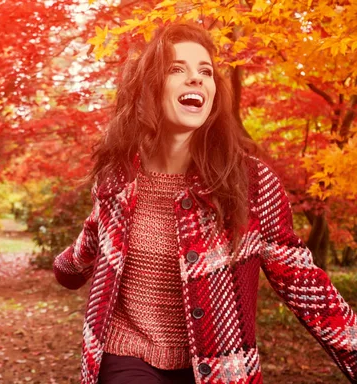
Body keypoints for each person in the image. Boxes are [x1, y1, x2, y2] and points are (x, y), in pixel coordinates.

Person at [52, 22, 357, 384]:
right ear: (150, 87)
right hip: (125, 352)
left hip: (220, 369)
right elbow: (95, 234)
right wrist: (66, 268)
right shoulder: (118, 174)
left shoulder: (250, 182)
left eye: (206, 72)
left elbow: (303, 280)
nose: (196, 79)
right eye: (176, 69)